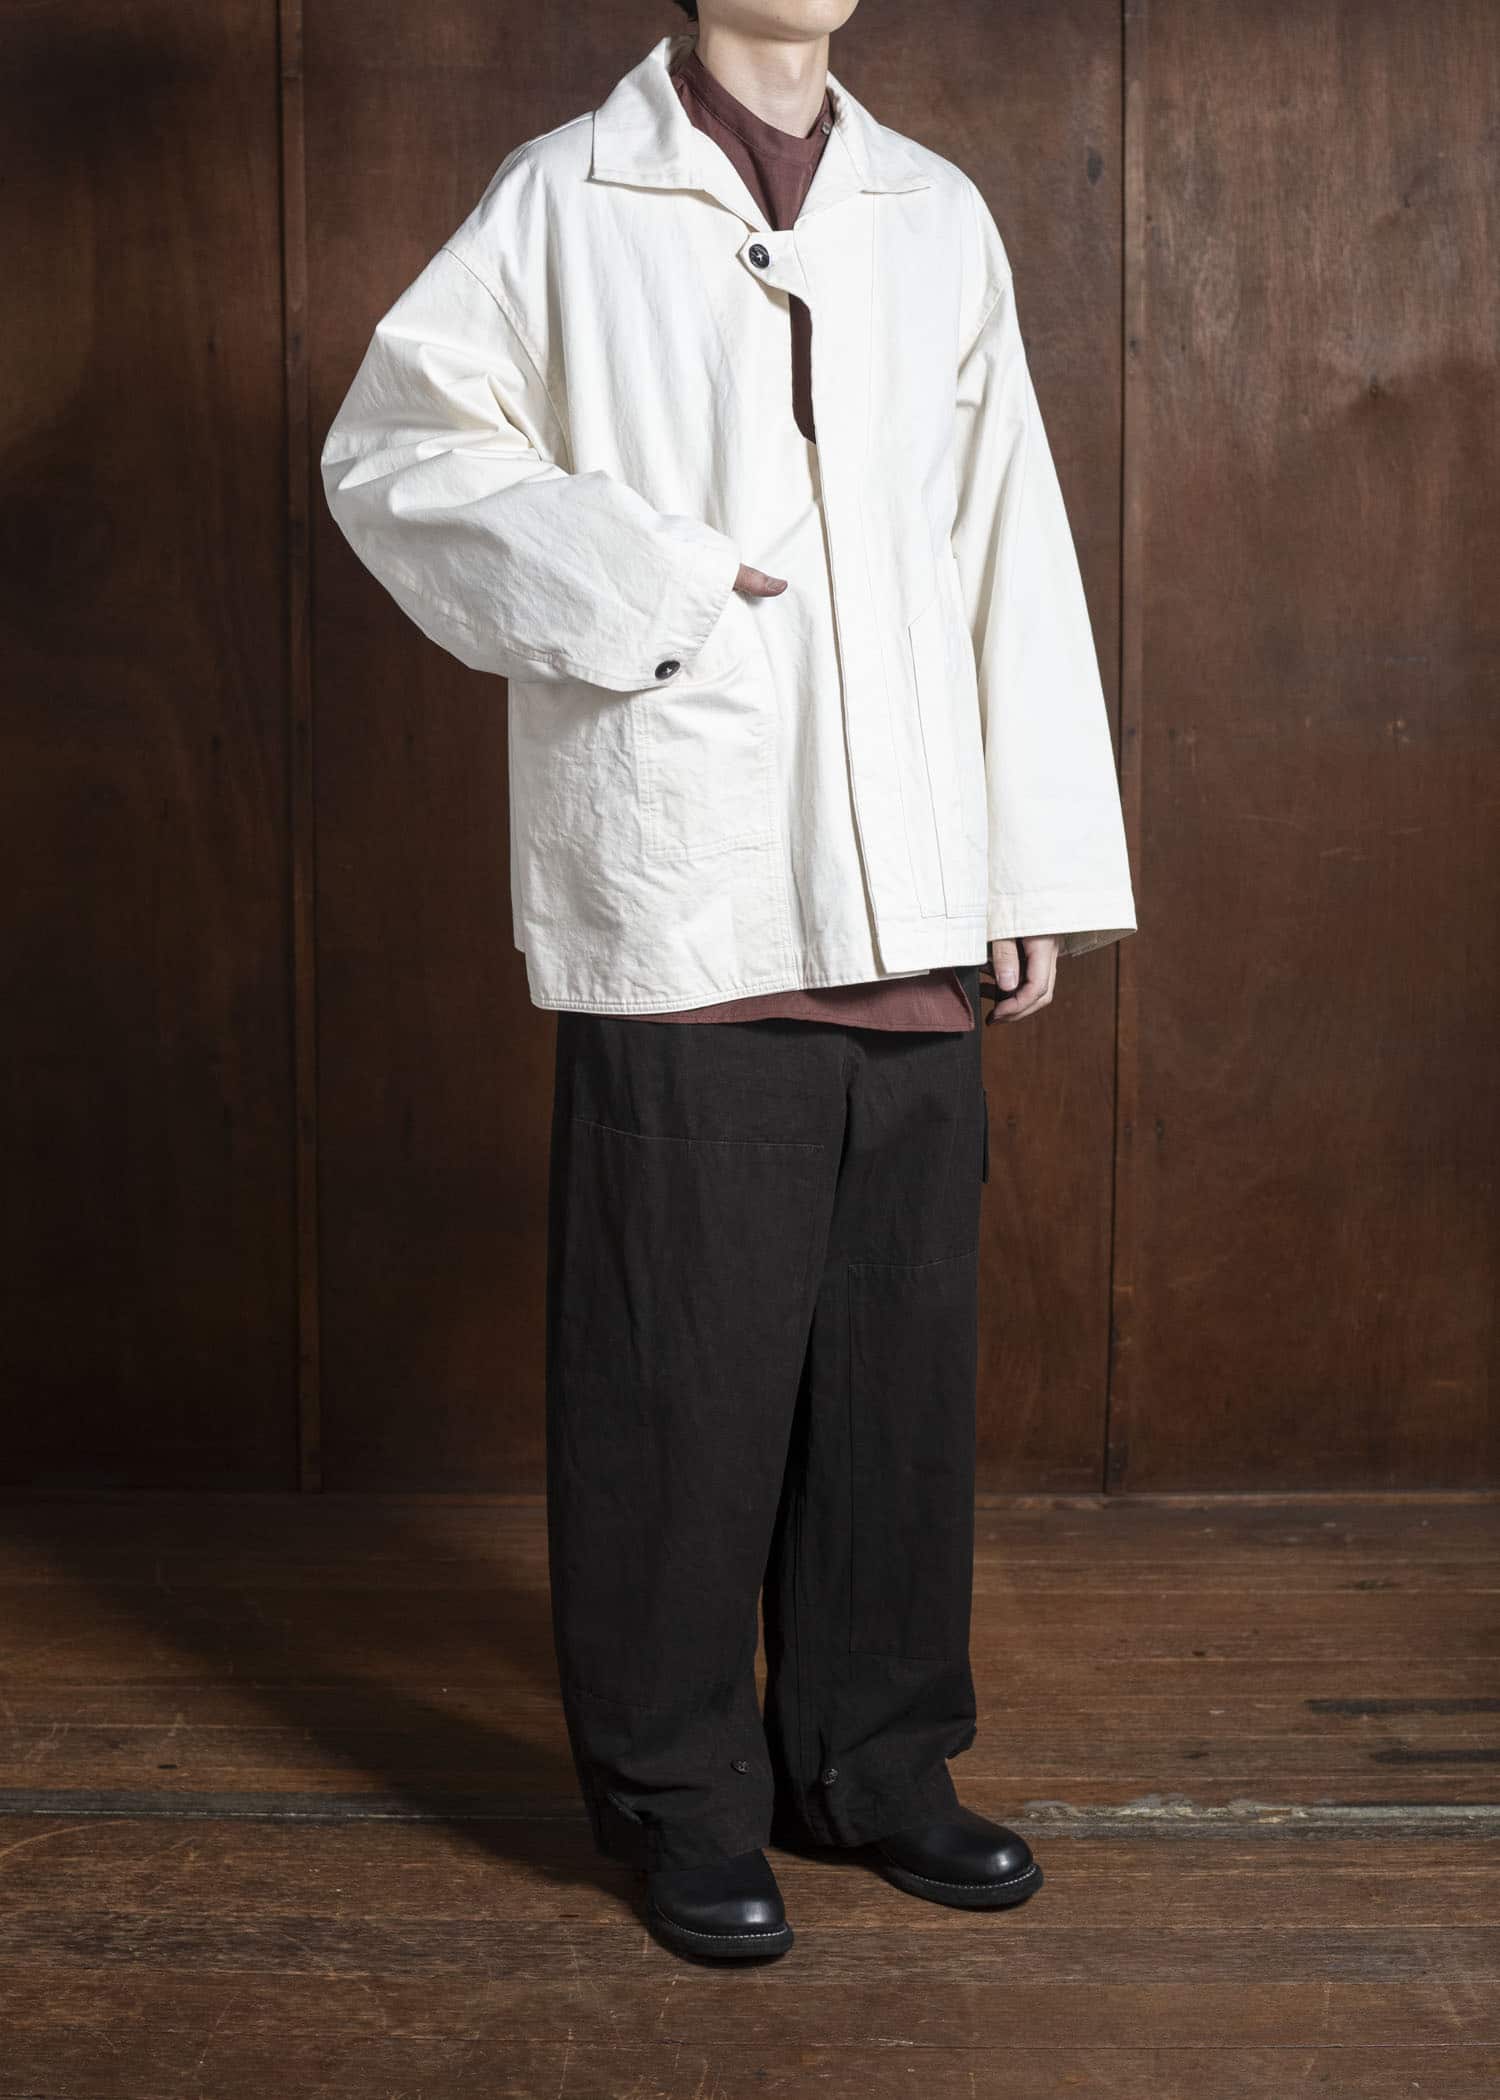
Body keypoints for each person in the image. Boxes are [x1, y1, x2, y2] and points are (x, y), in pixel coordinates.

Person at [321, 0, 1136, 1963]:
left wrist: (1029, 861)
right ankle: (678, 1798)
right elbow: (397, 450)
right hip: (688, 872)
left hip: (910, 887)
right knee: (674, 1378)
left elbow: (1006, 536)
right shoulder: (562, 197)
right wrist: (650, 579)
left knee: (894, 1378)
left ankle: (871, 1766)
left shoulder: (933, 211)